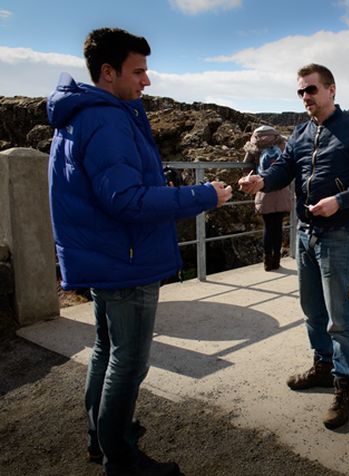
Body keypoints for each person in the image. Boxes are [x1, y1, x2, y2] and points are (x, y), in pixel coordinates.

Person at [47, 28, 232, 476]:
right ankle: (121, 459)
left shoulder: (83, 114)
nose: (147, 80)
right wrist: (205, 195)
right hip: (125, 259)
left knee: (106, 350)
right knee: (128, 361)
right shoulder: (106, 119)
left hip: (104, 255)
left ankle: (103, 437)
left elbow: (115, 188)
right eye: (139, 70)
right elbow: (126, 200)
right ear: (107, 72)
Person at [238, 63, 349, 429]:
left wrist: (342, 200)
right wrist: (261, 182)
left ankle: (345, 382)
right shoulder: (301, 132)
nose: (306, 97)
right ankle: (322, 366)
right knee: (311, 309)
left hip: (337, 233)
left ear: (331, 90)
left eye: (311, 90)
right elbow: (284, 170)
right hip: (304, 233)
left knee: (339, 316)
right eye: (301, 92)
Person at [243, 125, 291, 270]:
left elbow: (246, 167)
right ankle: (276, 260)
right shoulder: (281, 142)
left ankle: (267, 261)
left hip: (263, 188)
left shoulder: (254, 144)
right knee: (278, 226)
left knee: (268, 227)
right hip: (281, 188)